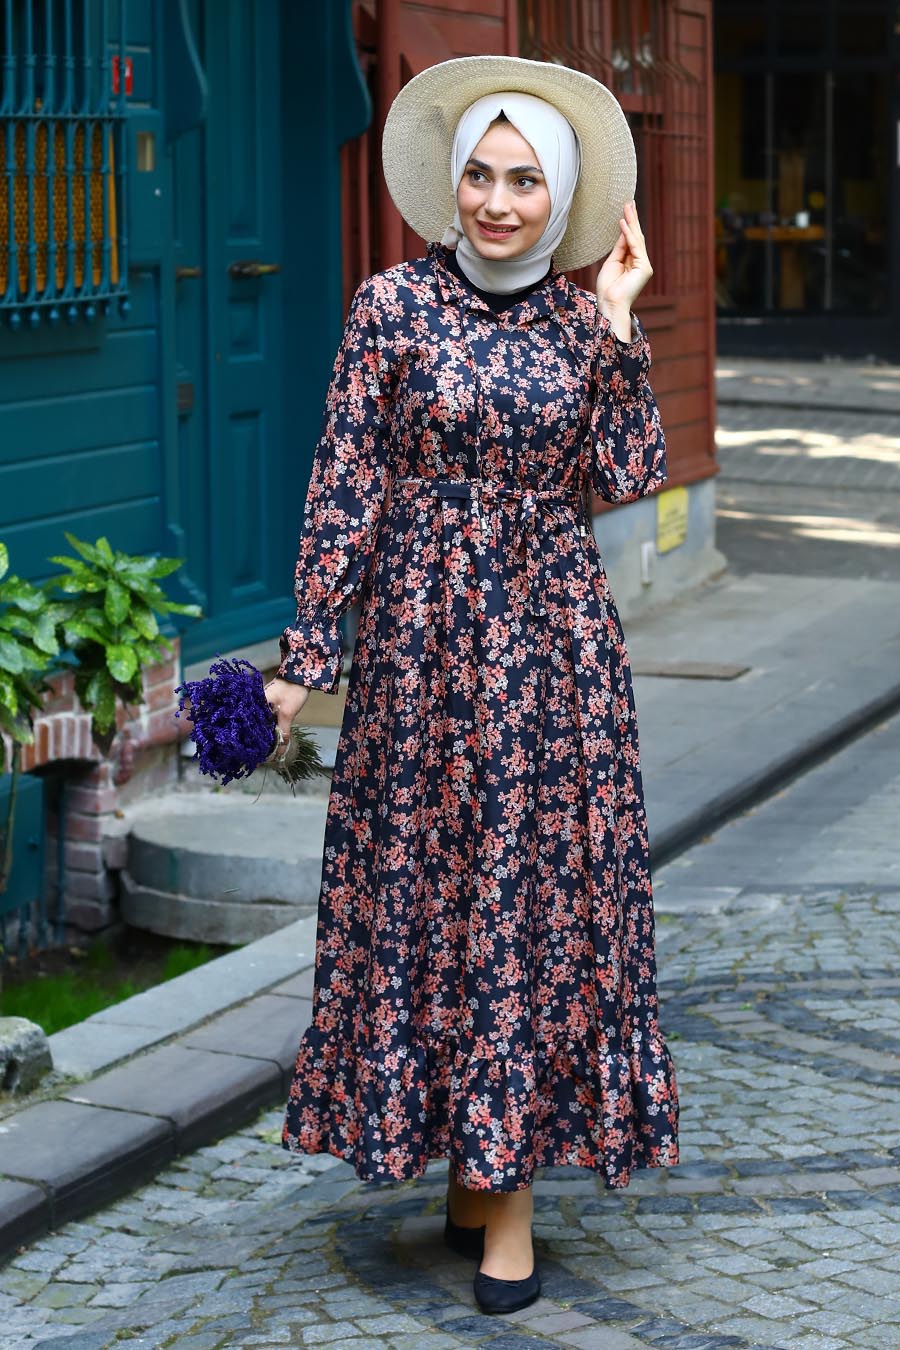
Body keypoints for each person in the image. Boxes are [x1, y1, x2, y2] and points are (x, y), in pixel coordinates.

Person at [265, 54, 680, 1316]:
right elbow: (345, 482)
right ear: (452, 186)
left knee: (527, 910)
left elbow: (631, 471)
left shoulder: (577, 316)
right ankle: (467, 1173)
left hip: (553, 659)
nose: (499, 202)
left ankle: (503, 1205)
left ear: (559, 201)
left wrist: (617, 318)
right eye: (481, 177)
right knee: (429, 906)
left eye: (524, 182)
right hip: (421, 662)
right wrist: (305, 663)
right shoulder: (390, 307)